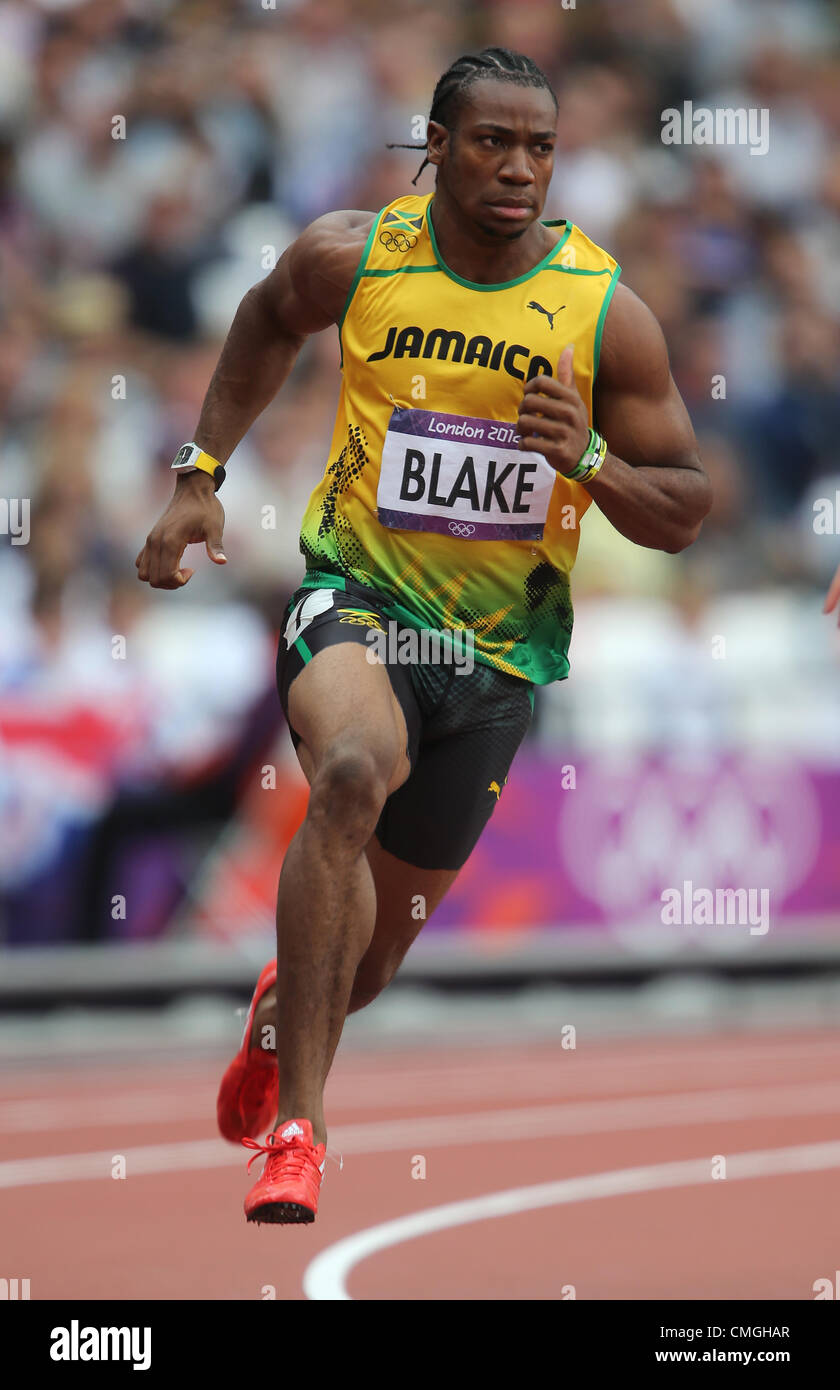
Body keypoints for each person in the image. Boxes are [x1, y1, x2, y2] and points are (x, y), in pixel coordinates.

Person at [136, 47, 711, 1225]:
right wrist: (200, 474)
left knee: (365, 969)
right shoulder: (358, 255)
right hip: (357, 594)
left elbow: (687, 510)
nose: (518, 168)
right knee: (346, 772)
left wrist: (588, 461)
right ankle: (301, 1130)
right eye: (492, 141)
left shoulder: (605, 311)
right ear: (436, 146)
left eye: (540, 147)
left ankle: (276, 1013)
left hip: (495, 662)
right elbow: (262, 320)